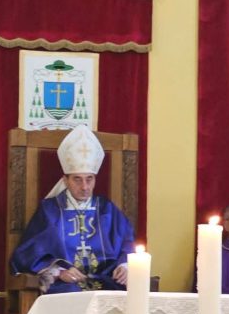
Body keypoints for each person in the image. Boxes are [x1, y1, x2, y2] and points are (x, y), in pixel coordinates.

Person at [10, 125, 135, 293]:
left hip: (106, 281)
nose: (84, 187)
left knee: (128, 293)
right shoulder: (50, 211)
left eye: (89, 179)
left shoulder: (107, 210)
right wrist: (59, 272)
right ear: (65, 180)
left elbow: (127, 242)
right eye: (77, 179)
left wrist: (124, 265)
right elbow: (27, 253)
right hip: (66, 285)